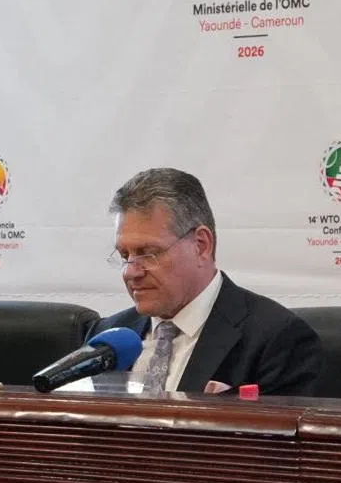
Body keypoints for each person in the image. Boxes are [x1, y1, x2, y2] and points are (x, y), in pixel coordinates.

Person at [89, 168, 322, 396]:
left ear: (201, 245)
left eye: (148, 253)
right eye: (124, 256)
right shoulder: (106, 337)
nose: (130, 272)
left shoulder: (277, 339)